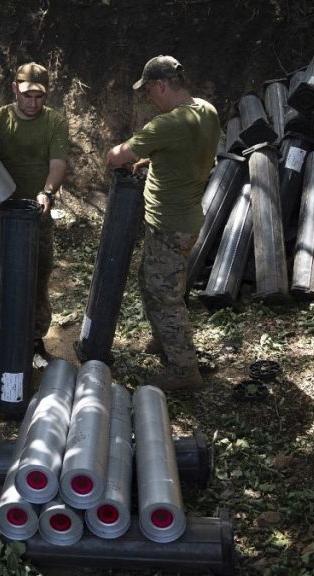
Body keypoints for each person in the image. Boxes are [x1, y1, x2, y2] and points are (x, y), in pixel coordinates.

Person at [106, 55, 221, 390]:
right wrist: (150, 160)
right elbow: (186, 151)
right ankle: (164, 339)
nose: (148, 98)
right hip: (184, 219)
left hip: (169, 224)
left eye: (148, 91)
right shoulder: (206, 111)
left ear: (160, 85)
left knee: (165, 296)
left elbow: (115, 156)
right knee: (150, 280)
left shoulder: (167, 124)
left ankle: (184, 371)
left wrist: (134, 154)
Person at [0, 62, 70, 370]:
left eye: (39, 97)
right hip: (1, 215)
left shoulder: (55, 122)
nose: (32, 103)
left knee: (38, 276)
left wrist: (47, 192)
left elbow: (57, 163)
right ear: (14, 89)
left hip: (37, 215)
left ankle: (34, 341)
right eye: (27, 95)